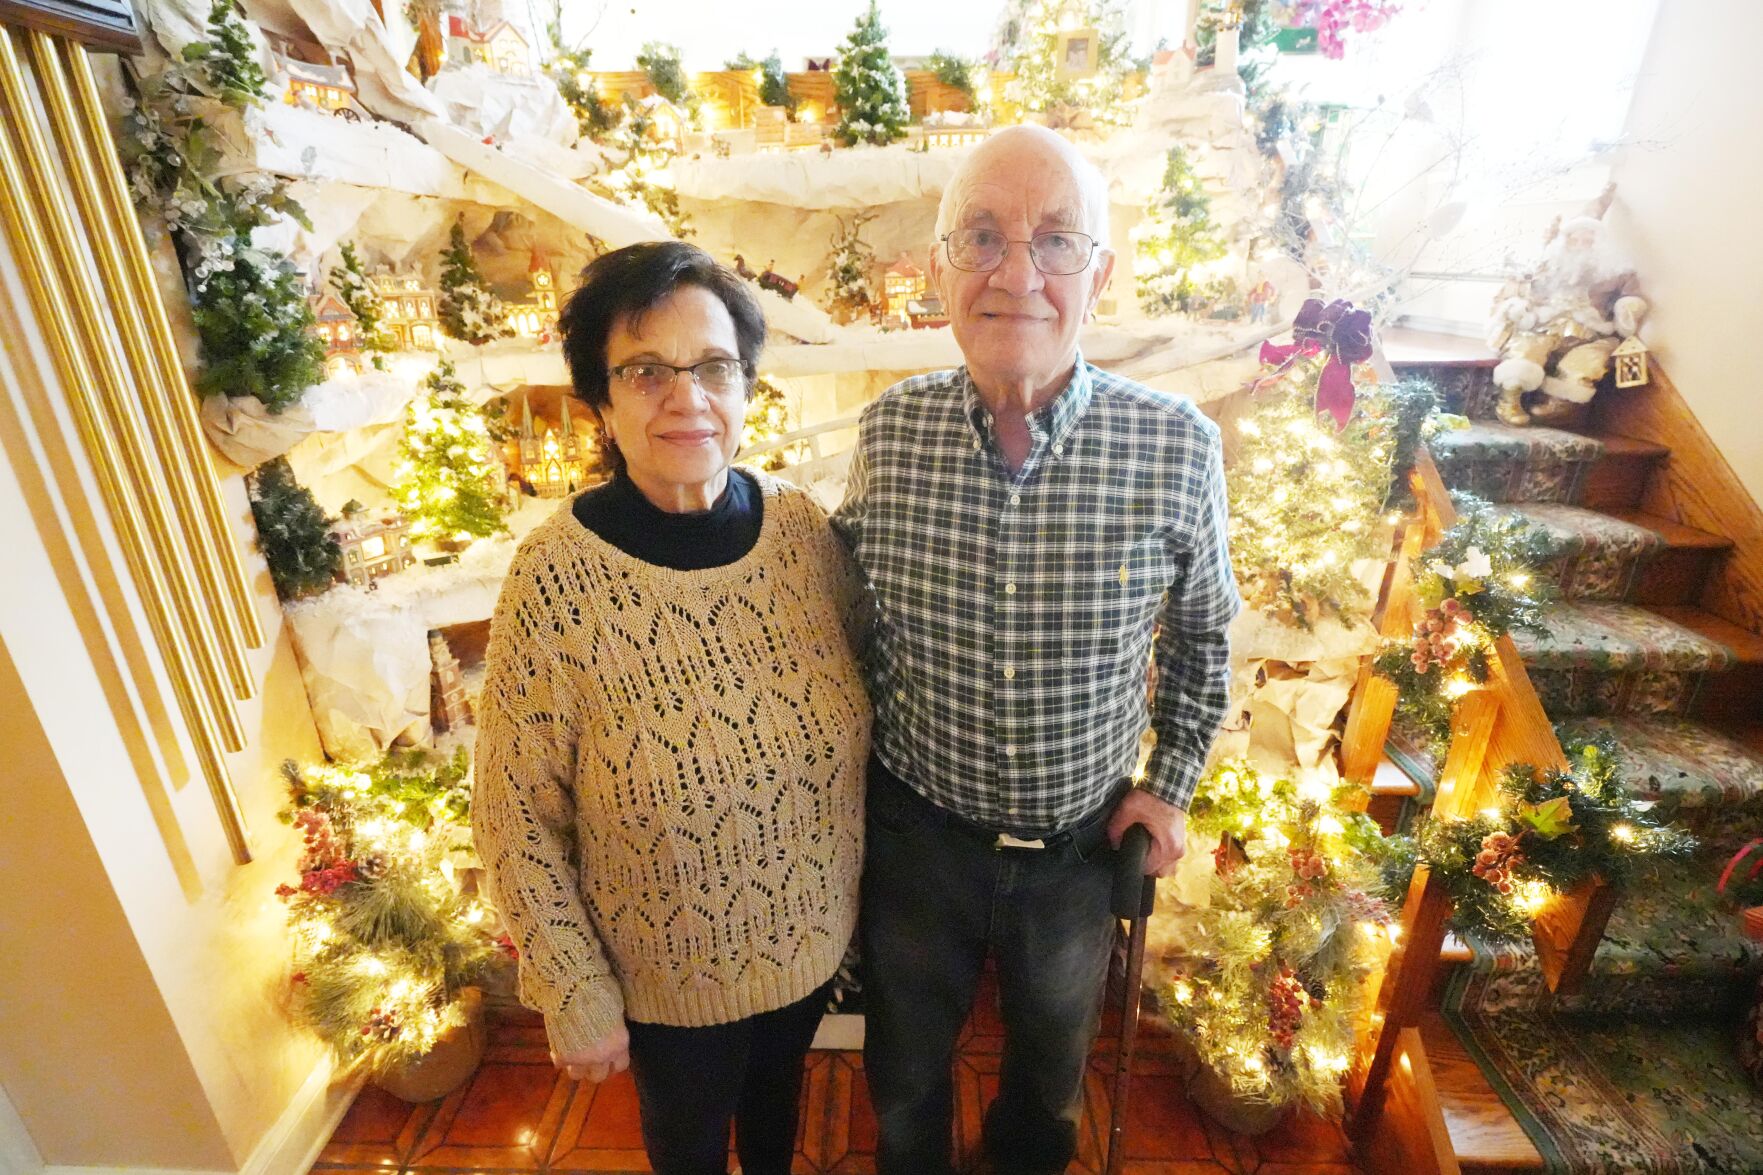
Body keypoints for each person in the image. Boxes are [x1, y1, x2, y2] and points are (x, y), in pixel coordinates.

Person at [831, 125, 1241, 1175]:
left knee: (1047, 1087)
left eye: (1056, 241)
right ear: (939, 268)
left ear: (1098, 274)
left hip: (1074, 856)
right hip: (917, 844)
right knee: (905, 1078)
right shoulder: (888, 435)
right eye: (981, 237)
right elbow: (840, 618)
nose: (1017, 274)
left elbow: (1201, 633)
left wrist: (1174, 784)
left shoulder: (1176, 445)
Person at [473, 241, 871, 1175]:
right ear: (602, 402)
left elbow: (867, 699)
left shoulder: (804, 532)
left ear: (744, 386)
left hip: (810, 952)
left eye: (713, 367)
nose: (686, 397)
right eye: (646, 370)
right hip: (664, 991)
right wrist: (573, 986)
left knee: (774, 1128)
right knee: (689, 1151)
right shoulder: (557, 579)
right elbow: (512, 814)